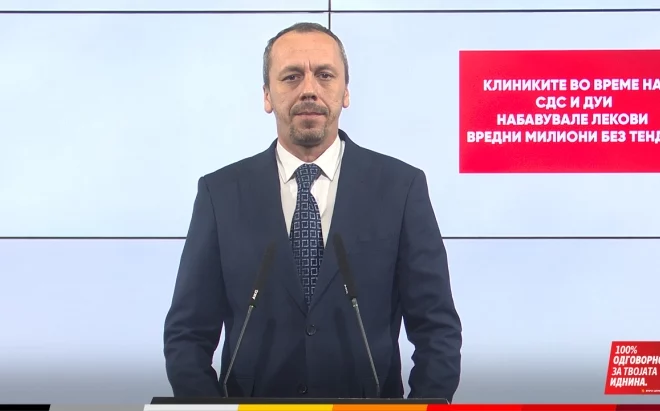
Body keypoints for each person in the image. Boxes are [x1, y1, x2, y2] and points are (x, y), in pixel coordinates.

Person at [163, 22, 462, 401]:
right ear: (267, 95)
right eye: (291, 77)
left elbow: (436, 330)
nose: (309, 89)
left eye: (324, 75)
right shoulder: (219, 193)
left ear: (345, 91)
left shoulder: (401, 188)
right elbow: (187, 334)